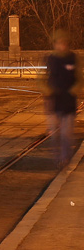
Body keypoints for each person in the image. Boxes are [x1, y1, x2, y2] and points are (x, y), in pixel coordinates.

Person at [46, 29, 78, 167]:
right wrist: (48, 91)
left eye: (64, 43)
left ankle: (65, 158)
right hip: (54, 100)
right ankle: (57, 157)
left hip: (69, 102)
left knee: (66, 133)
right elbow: (43, 78)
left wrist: (72, 91)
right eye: (58, 43)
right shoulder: (51, 58)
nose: (61, 46)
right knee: (54, 134)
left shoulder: (73, 58)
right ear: (54, 44)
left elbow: (79, 78)